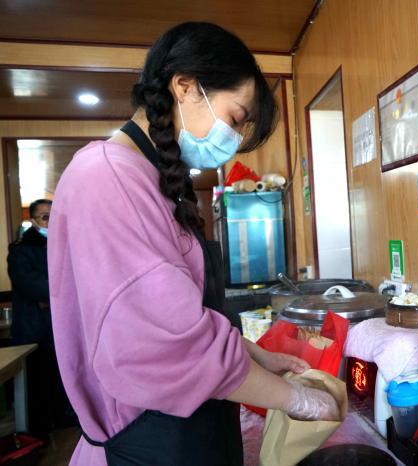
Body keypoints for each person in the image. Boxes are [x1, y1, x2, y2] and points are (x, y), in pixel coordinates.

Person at [48, 22, 338, 466]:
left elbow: (181, 317)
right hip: (149, 443)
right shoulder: (107, 178)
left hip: (186, 432)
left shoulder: (148, 179)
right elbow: (165, 345)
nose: (233, 141)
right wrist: (294, 399)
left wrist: (255, 356)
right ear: (184, 86)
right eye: (235, 118)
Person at [7, 199, 69, 438]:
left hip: (59, 326)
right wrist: (65, 293)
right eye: (45, 217)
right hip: (34, 329)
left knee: (61, 379)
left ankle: (63, 423)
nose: (51, 222)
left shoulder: (63, 243)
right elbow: (33, 286)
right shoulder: (21, 250)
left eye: (54, 216)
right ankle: (37, 436)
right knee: (36, 384)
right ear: (33, 221)